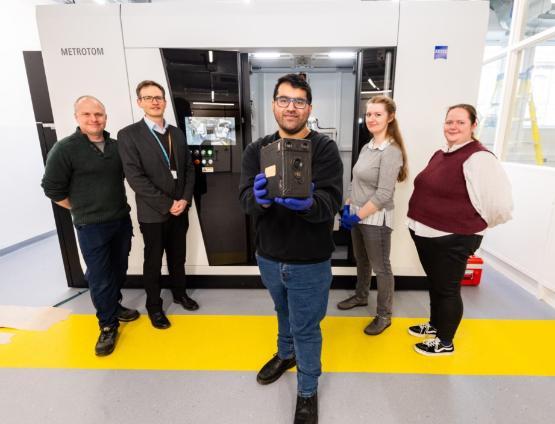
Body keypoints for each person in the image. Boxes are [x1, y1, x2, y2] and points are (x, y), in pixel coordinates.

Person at [239, 74, 342, 424]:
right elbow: (243, 201)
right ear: (273, 104)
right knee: (282, 311)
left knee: (307, 327)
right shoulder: (257, 150)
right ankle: (286, 355)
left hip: (309, 260)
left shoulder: (325, 149)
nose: (291, 107)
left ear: (309, 108)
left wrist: (310, 203)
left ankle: (307, 391)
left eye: (299, 101)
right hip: (269, 256)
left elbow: (331, 202)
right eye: (284, 100)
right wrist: (259, 199)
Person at [407, 104, 513, 356]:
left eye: (460, 122)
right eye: (449, 122)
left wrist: (470, 229)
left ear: (473, 125)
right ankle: (435, 325)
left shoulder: (479, 158)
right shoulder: (443, 153)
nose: (452, 127)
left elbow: (499, 205)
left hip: (452, 239)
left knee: (447, 289)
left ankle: (445, 341)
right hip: (429, 235)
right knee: (436, 284)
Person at [41, 96, 139, 356]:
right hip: (90, 226)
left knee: (119, 269)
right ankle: (107, 326)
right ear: (77, 117)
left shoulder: (117, 147)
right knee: (99, 276)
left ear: (105, 116)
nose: (94, 119)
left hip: (120, 220)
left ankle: (114, 306)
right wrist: (79, 207)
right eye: (87, 115)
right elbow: (51, 187)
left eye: (98, 114)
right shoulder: (65, 149)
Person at [118, 80, 198, 330]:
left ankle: (179, 294)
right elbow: (135, 178)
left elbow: (187, 169)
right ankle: (154, 306)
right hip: (153, 213)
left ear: (164, 101)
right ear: (139, 102)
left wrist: (184, 199)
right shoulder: (129, 134)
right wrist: (168, 204)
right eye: (148, 97)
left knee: (178, 256)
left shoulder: (176, 133)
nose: (155, 101)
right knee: (153, 260)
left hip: (180, 209)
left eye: (158, 97)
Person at [337, 95, 408, 336]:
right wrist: (347, 206)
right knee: (362, 260)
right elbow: (355, 179)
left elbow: (384, 194)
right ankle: (360, 296)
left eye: (378, 114)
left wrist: (357, 217)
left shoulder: (391, 151)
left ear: (390, 117)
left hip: (375, 220)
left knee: (382, 267)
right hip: (357, 214)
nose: (372, 118)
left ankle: (384, 315)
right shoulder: (368, 147)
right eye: (369, 114)